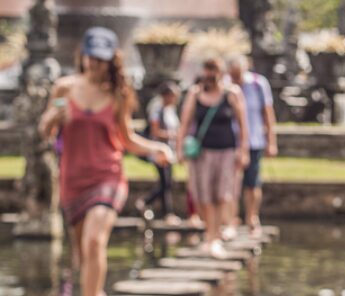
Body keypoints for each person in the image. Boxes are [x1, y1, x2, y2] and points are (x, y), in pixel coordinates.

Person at [39, 27, 173, 296]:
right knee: (81, 255)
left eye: (100, 59)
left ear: (111, 60)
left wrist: (157, 148)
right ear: (83, 56)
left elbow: (127, 139)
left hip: (107, 177)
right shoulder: (64, 87)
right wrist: (57, 113)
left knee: (94, 240)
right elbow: (44, 129)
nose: (94, 64)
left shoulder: (117, 95)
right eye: (91, 57)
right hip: (73, 180)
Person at [177, 58, 249, 258]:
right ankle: (210, 233)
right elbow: (185, 123)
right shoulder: (195, 94)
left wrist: (243, 151)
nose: (209, 76)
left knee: (221, 195)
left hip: (226, 152)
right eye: (206, 72)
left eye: (213, 72)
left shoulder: (231, 94)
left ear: (220, 73)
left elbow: (243, 125)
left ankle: (214, 238)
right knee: (203, 196)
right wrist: (179, 148)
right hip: (202, 154)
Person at [228, 56, 277, 237]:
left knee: (252, 183)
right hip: (230, 141)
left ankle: (252, 217)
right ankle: (231, 219)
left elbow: (268, 113)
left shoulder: (258, 83)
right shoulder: (226, 85)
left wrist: (271, 141)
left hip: (254, 140)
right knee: (231, 183)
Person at [136, 82, 181, 224]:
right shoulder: (157, 109)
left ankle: (159, 209)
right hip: (159, 151)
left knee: (167, 181)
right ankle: (148, 204)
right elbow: (155, 131)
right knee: (165, 182)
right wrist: (171, 135)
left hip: (169, 151)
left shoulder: (170, 110)